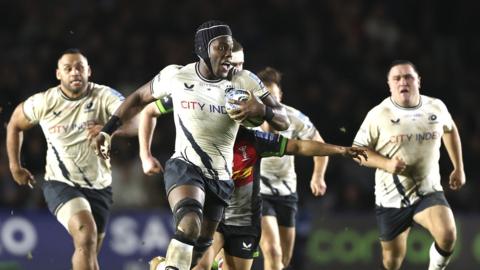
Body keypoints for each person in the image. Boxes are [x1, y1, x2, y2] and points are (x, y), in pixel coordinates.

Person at [94, 20, 290, 270]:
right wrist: (108, 130)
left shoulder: (245, 81)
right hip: (186, 167)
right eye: (221, 48)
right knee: (189, 224)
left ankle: (164, 266)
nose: (228, 54)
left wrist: (262, 110)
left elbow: (283, 119)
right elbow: (139, 99)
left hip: (221, 178)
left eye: (230, 48)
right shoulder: (177, 76)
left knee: (197, 253)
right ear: (204, 49)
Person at [139, 98, 367, 270]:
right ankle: (163, 265)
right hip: (215, 217)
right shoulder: (203, 143)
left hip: (245, 221)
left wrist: (341, 149)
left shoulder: (255, 141)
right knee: (199, 267)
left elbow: (298, 147)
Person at [6, 48, 134, 270]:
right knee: (86, 236)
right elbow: (15, 123)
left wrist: (109, 129)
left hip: (100, 186)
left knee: (87, 249)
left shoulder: (104, 96)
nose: (75, 72)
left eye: (80, 68)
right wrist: (15, 166)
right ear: (59, 74)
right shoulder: (45, 102)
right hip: (60, 183)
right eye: (68, 69)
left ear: (89, 71)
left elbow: (136, 121)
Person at [352, 60, 465, 270]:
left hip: (428, 191)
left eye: (408, 77)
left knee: (448, 234)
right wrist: (385, 164)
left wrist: (458, 167)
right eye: (397, 78)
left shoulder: (436, 107)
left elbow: (450, 130)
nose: (403, 81)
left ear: (418, 81)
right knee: (392, 262)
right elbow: (357, 152)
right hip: (391, 199)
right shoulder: (378, 115)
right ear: (389, 84)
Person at [256, 67, 328, 270]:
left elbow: (319, 145)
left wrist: (318, 176)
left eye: (273, 97)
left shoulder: (294, 117)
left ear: (280, 97)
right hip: (257, 191)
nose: (268, 101)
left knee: (284, 259)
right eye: (263, 97)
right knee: (272, 250)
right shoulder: (246, 119)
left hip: (287, 192)